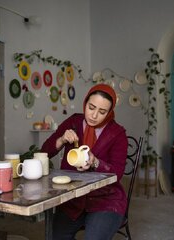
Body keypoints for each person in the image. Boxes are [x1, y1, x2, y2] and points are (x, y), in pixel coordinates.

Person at [41, 83, 128, 240]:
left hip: (105, 200)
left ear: (109, 112)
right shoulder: (73, 123)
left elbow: (117, 173)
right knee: (55, 237)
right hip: (72, 198)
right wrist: (61, 139)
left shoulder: (117, 133)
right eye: (91, 107)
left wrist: (95, 162)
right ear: (85, 102)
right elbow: (44, 152)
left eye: (102, 112)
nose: (94, 116)